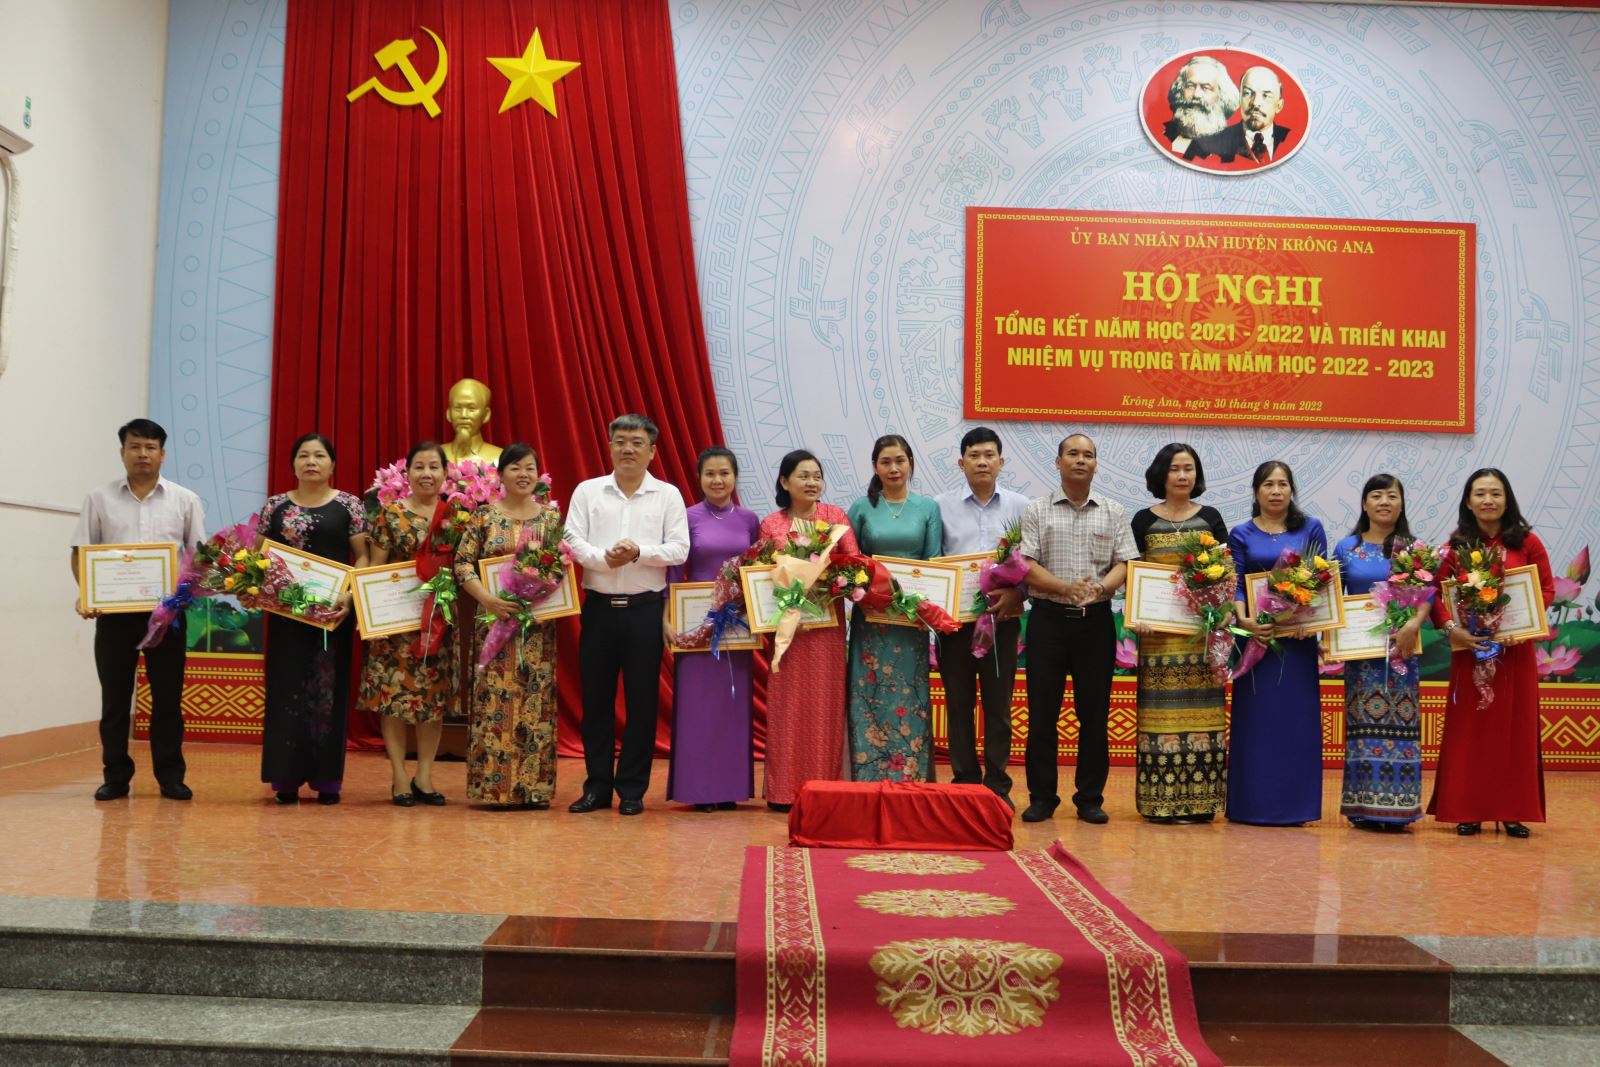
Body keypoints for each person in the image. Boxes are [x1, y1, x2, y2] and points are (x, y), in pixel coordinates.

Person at [70, 419, 206, 801]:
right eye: (135, 446)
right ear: (122, 453)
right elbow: (81, 553)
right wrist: (87, 594)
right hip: (114, 616)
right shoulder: (98, 499)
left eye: (150, 447)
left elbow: (199, 557)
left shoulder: (185, 500)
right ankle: (115, 776)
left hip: (168, 617)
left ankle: (170, 777)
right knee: (115, 700)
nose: (142, 454)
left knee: (167, 700)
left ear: (162, 454)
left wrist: (182, 594)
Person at [564, 414, 690, 816]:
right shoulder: (588, 491)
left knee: (642, 703)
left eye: (637, 442)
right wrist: (605, 559)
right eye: (620, 441)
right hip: (599, 611)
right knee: (596, 702)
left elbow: (679, 549)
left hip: (644, 612)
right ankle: (597, 788)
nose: (628, 449)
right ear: (609, 446)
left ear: (652, 451)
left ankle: (632, 790)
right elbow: (571, 540)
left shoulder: (667, 495)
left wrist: (638, 553)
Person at [1019, 433, 1137, 825]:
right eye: (1072, 453)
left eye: (1088, 455)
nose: (1080, 460)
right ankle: (1042, 797)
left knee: (1094, 715)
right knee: (1042, 715)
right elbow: (1026, 564)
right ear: (1058, 462)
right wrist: (1063, 589)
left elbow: (1125, 563)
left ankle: (1089, 798)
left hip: (1095, 624)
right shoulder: (1037, 510)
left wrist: (1101, 588)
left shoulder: (1113, 511)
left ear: (1096, 465)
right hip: (1048, 622)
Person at [1428, 468, 1553, 838]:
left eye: (1495, 493)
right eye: (1480, 493)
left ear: (1507, 499)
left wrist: (1522, 625)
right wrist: (1452, 629)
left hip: (1515, 653)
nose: (1488, 500)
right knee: (1470, 731)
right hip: (1471, 650)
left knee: (1514, 731)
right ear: (1468, 502)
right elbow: (1437, 595)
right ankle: (1467, 809)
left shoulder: (1528, 543)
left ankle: (1512, 810)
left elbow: (1546, 589)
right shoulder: (1455, 547)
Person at [257, 433, 368, 805]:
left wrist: (350, 595)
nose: (311, 461)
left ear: (332, 464)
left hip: (332, 616)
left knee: (327, 693)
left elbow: (363, 557)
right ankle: (285, 779)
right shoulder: (275, 506)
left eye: (319, 455)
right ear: (292, 464)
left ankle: (327, 780)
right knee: (286, 690)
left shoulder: (350, 505)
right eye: (303, 455)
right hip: (285, 616)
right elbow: (259, 558)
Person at [1127, 443, 1229, 824]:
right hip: (1158, 639)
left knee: (1204, 717)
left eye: (1188, 468)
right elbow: (1132, 572)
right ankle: (1160, 803)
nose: (1182, 475)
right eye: (1174, 469)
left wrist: (1220, 611)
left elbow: (1227, 570)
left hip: (1200, 638)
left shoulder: (1211, 518)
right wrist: (1137, 613)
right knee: (1161, 720)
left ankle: (1202, 803)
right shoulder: (1142, 520)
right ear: (1161, 474)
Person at [456, 443, 562, 809]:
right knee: (494, 700)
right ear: (500, 475)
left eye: (530, 467)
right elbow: (462, 564)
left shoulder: (550, 519)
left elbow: (562, 567)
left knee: (535, 700)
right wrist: (487, 599)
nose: (523, 474)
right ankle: (492, 788)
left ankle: (534, 789)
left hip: (536, 630)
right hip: (492, 624)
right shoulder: (484, 517)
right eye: (515, 467)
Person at [758, 450, 860, 810]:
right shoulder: (771, 524)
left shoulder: (835, 518)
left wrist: (833, 579)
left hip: (826, 630)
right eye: (803, 476)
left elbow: (855, 567)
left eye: (817, 475)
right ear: (785, 482)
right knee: (787, 707)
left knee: (824, 706)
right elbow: (760, 573)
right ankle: (784, 790)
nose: (812, 482)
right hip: (789, 632)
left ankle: (825, 787)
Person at [1228, 460, 1328, 826]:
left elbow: (1320, 580)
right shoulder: (1240, 533)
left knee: (1295, 725)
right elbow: (1237, 583)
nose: (1275, 491)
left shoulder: (1310, 528)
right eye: (1268, 484)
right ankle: (1250, 804)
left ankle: (1296, 806)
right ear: (1256, 491)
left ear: (1291, 490)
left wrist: (1307, 622)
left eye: (1282, 484)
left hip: (1297, 643)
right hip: (1256, 642)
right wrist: (1244, 621)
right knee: (1256, 725)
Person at [934, 427, 1028, 805]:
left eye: (989, 455)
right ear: (962, 463)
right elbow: (933, 562)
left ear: (1001, 461)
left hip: (1002, 622)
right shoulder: (939, 507)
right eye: (974, 455)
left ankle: (997, 787)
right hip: (954, 625)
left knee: (998, 706)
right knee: (958, 704)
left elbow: (1032, 562)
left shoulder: (1021, 506)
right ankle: (965, 782)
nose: (982, 462)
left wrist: (1018, 593)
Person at [359, 441, 455, 807]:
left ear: (445, 473)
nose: (427, 473)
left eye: (434, 466)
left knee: (433, 701)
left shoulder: (455, 517)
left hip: (438, 622)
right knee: (393, 700)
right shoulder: (391, 514)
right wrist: (370, 614)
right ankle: (399, 776)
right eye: (419, 466)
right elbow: (377, 567)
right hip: (396, 624)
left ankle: (424, 776)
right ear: (408, 473)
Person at [664, 447, 761, 811]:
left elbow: (756, 569)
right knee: (698, 708)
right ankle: (699, 790)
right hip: (694, 621)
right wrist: (666, 617)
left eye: (724, 473)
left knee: (731, 708)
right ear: (699, 478)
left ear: (735, 477)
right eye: (710, 474)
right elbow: (675, 571)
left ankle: (729, 788)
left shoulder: (749, 519)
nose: (718, 480)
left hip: (736, 624)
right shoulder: (687, 517)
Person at [1330, 474, 1425, 832]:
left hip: (1402, 652)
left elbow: (1425, 596)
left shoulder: (1413, 549)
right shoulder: (1346, 548)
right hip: (1361, 658)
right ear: (1364, 504)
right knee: (1362, 728)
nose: (1384, 501)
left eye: (1392, 495)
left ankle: (1399, 808)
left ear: (1401, 503)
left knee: (1401, 726)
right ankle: (1363, 807)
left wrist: (1414, 624)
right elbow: (1332, 598)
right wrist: (1328, 637)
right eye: (1376, 495)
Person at [847, 435, 943, 782]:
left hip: (911, 620)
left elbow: (934, 561)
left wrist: (921, 606)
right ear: (875, 466)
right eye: (885, 461)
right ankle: (868, 774)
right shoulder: (861, 508)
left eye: (900, 460)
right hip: (872, 620)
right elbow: (850, 564)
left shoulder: (928, 508)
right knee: (869, 693)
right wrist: (868, 594)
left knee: (910, 693)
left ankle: (911, 776)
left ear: (910, 464)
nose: (894, 468)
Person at [1193, 66, 1292, 165]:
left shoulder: (1290, 138)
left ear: (1279, 106)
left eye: (1266, 95)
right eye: (1247, 93)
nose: (1255, 103)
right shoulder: (1210, 143)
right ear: (1240, 99)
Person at [1160, 54, 1240, 159]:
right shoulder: (1164, 136)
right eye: (1190, 86)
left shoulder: (1233, 146)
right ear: (1180, 90)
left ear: (1222, 95)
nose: (1196, 94)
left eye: (1205, 87)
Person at [440, 378, 503, 464]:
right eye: (457, 408)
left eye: (471, 409)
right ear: (448, 413)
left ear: (486, 414)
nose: (463, 415)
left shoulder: (500, 458)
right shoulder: (435, 457)